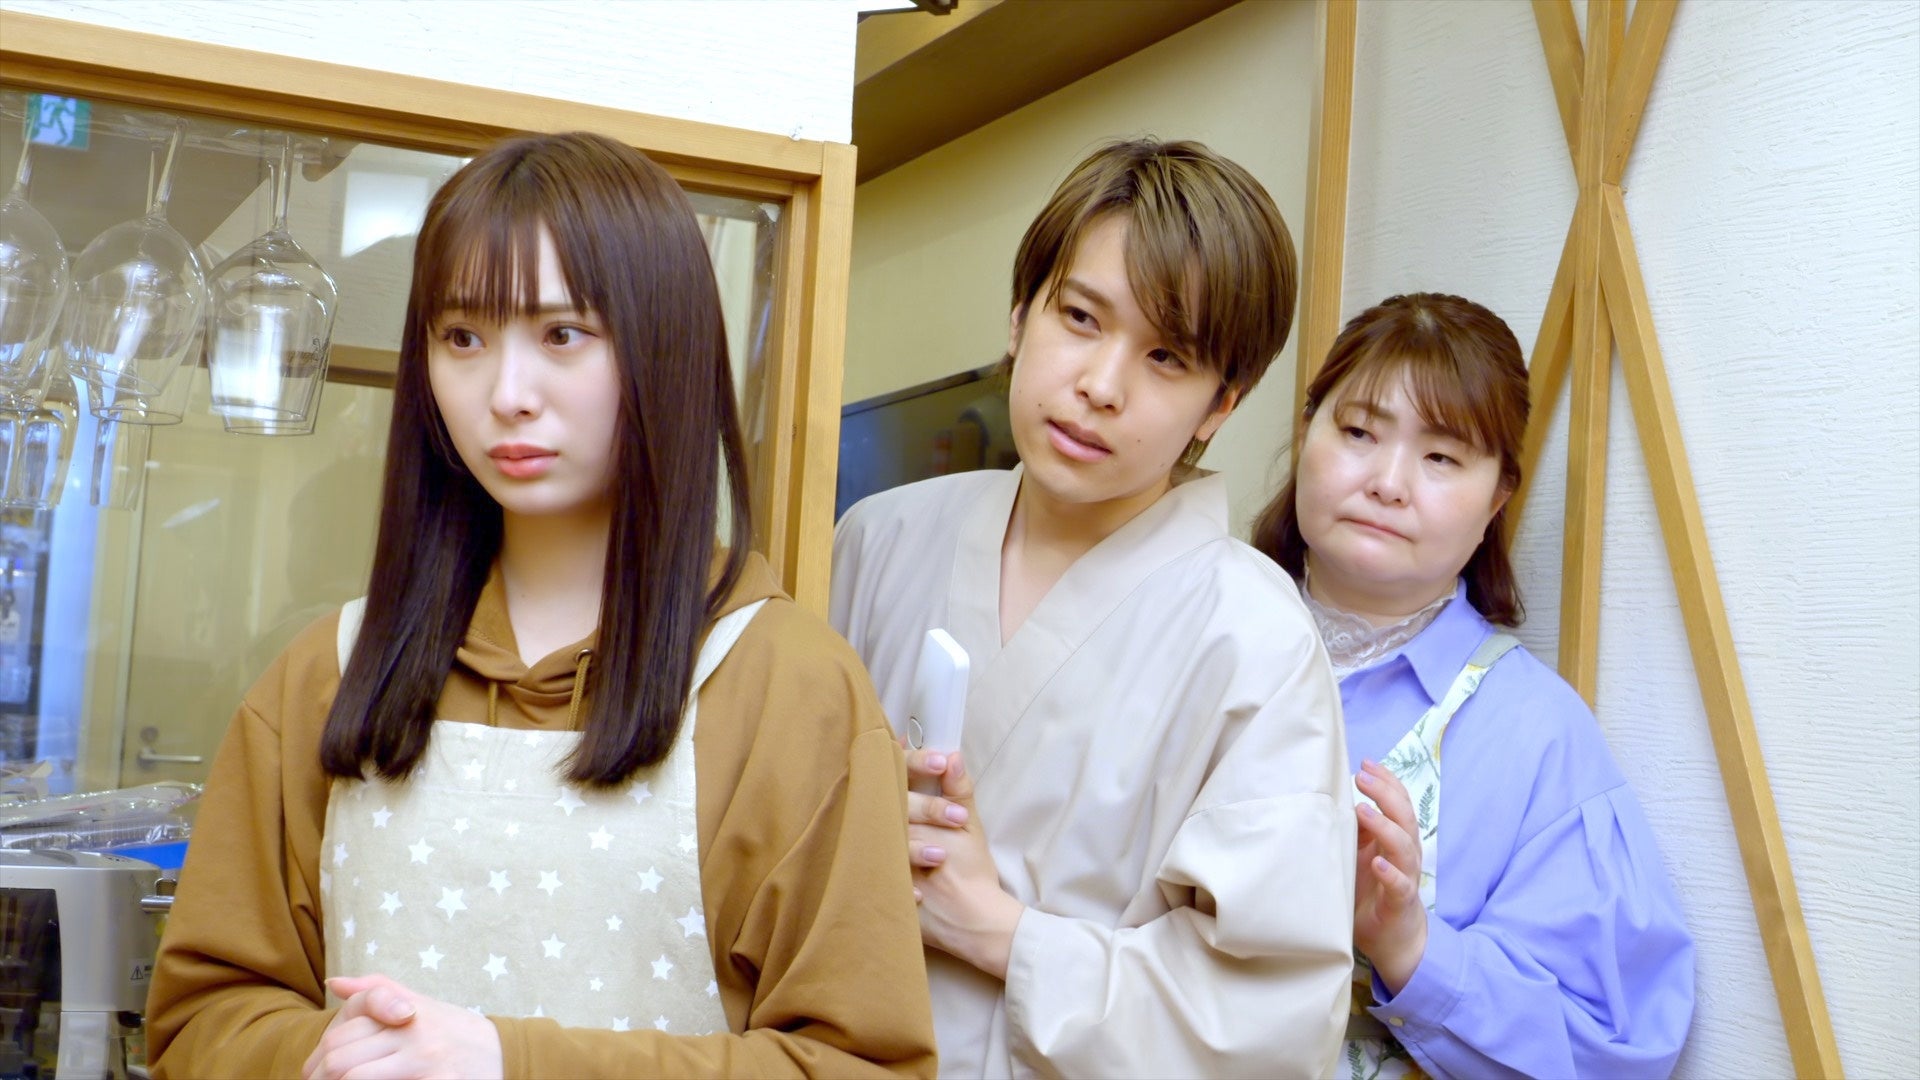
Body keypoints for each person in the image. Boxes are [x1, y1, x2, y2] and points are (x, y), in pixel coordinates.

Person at [145, 131, 937, 1080]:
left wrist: (506, 1060)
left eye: (562, 335)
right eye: (462, 338)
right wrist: (348, 1054)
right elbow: (201, 1022)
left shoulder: (791, 687)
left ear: (665, 347)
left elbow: (862, 1065)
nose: (506, 394)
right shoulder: (328, 672)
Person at [831, 138, 1354, 1078]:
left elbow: (1272, 1031)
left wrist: (1002, 933)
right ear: (1020, 314)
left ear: (1219, 406)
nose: (1101, 387)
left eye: (1166, 356)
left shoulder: (1254, 639)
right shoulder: (879, 539)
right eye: (1080, 317)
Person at [1251, 292, 1695, 1078]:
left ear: (1496, 500)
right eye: (1359, 433)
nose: (1389, 483)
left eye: (1441, 458)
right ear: (1308, 431)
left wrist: (1409, 947)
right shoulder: (1196, 627)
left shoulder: (1536, 732)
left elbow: (1615, 1051)